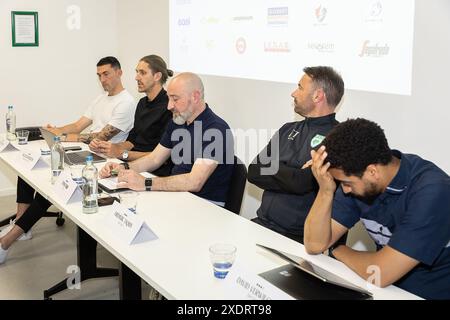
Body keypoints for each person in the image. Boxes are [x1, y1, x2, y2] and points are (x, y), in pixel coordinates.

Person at [0, 56, 135, 264]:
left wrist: (62, 137)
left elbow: (101, 137)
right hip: (83, 152)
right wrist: (55, 131)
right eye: (99, 75)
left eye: (106, 74)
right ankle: (22, 224)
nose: (102, 79)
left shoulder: (126, 103)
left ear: (119, 72)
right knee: (28, 171)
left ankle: (6, 242)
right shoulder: (101, 99)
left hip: (101, 160)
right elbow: (78, 125)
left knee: (50, 187)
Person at [304, 118, 450, 299]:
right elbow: (314, 244)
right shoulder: (357, 177)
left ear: (372, 171)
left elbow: (381, 273)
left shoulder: (434, 190)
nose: (345, 189)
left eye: (347, 183)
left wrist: (338, 250)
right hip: (383, 290)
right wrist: (326, 190)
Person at [99, 72, 235, 206]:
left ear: (195, 97)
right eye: (169, 99)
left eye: (175, 99)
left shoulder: (217, 129)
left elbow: (194, 182)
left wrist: (145, 183)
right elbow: (154, 159)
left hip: (204, 205)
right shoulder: (178, 121)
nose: (169, 106)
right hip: (177, 196)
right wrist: (123, 167)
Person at [247, 66, 344, 243]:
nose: (293, 93)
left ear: (318, 95)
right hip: (261, 225)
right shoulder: (288, 129)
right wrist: (295, 173)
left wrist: (277, 169)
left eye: (300, 87)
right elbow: (253, 171)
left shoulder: (338, 138)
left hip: (298, 240)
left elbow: (304, 182)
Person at [89, 55, 173, 176]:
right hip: (133, 164)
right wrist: (109, 147)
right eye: (137, 72)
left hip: (154, 172)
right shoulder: (142, 103)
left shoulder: (169, 107)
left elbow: (163, 156)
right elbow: (133, 140)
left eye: (142, 73)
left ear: (157, 76)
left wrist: (121, 153)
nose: (136, 77)